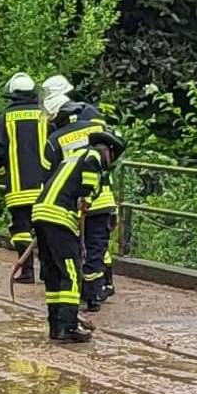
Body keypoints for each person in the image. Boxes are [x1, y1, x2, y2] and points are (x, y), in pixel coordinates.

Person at [30, 129, 125, 343]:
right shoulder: (94, 156)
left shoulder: (72, 157)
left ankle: (56, 325)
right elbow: (86, 188)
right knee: (70, 273)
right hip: (61, 218)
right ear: (109, 151)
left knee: (53, 273)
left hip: (41, 213)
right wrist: (88, 200)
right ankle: (69, 327)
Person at [43, 90, 118, 312]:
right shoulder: (98, 129)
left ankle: (83, 291)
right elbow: (112, 158)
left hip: (72, 204)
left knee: (76, 248)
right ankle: (96, 292)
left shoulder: (54, 140)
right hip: (102, 199)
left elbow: (48, 176)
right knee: (97, 248)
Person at [0, 73, 50, 284]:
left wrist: (1, 170)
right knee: (46, 227)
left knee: (21, 229)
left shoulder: (5, 118)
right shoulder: (46, 116)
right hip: (47, 187)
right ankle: (48, 271)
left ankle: (26, 271)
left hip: (17, 186)